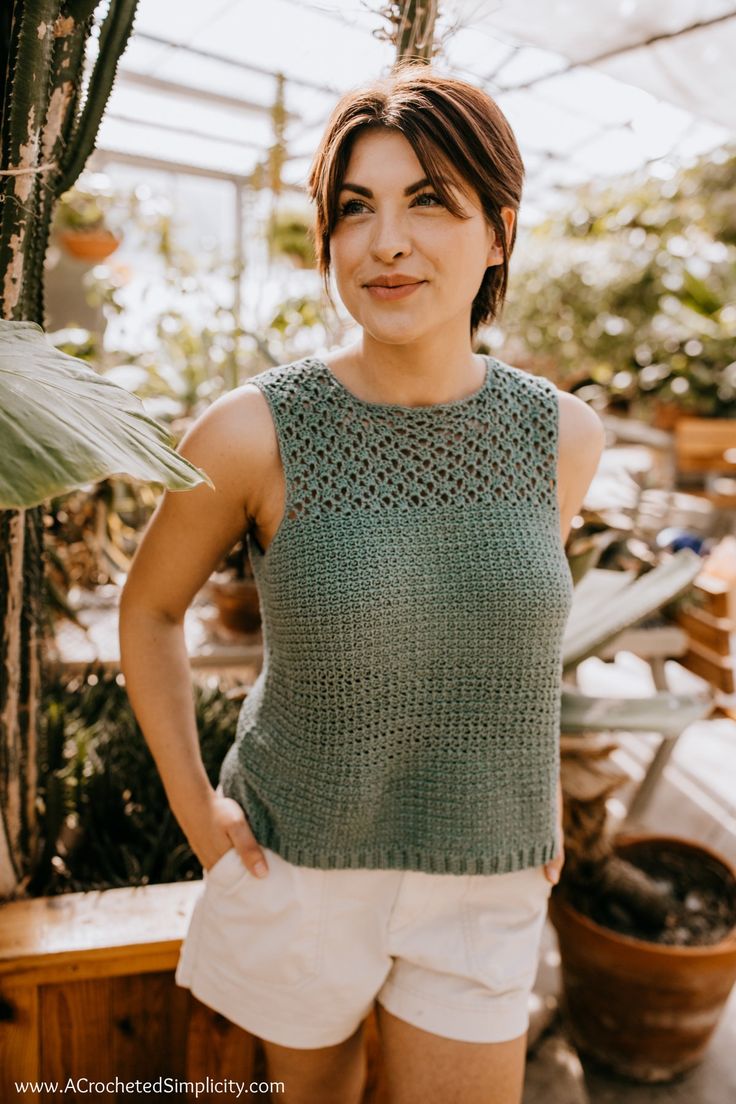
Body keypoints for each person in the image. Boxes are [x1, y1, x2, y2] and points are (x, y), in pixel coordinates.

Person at [119, 63, 605, 1104]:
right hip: (297, 868)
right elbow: (150, 607)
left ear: (500, 231)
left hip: (486, 871)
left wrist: (543, 793)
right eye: (356, 209)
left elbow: (498, 635)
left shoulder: (563, 438)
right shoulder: (251, 431)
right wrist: (197, 806)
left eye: (429, 199)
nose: (386, 240)